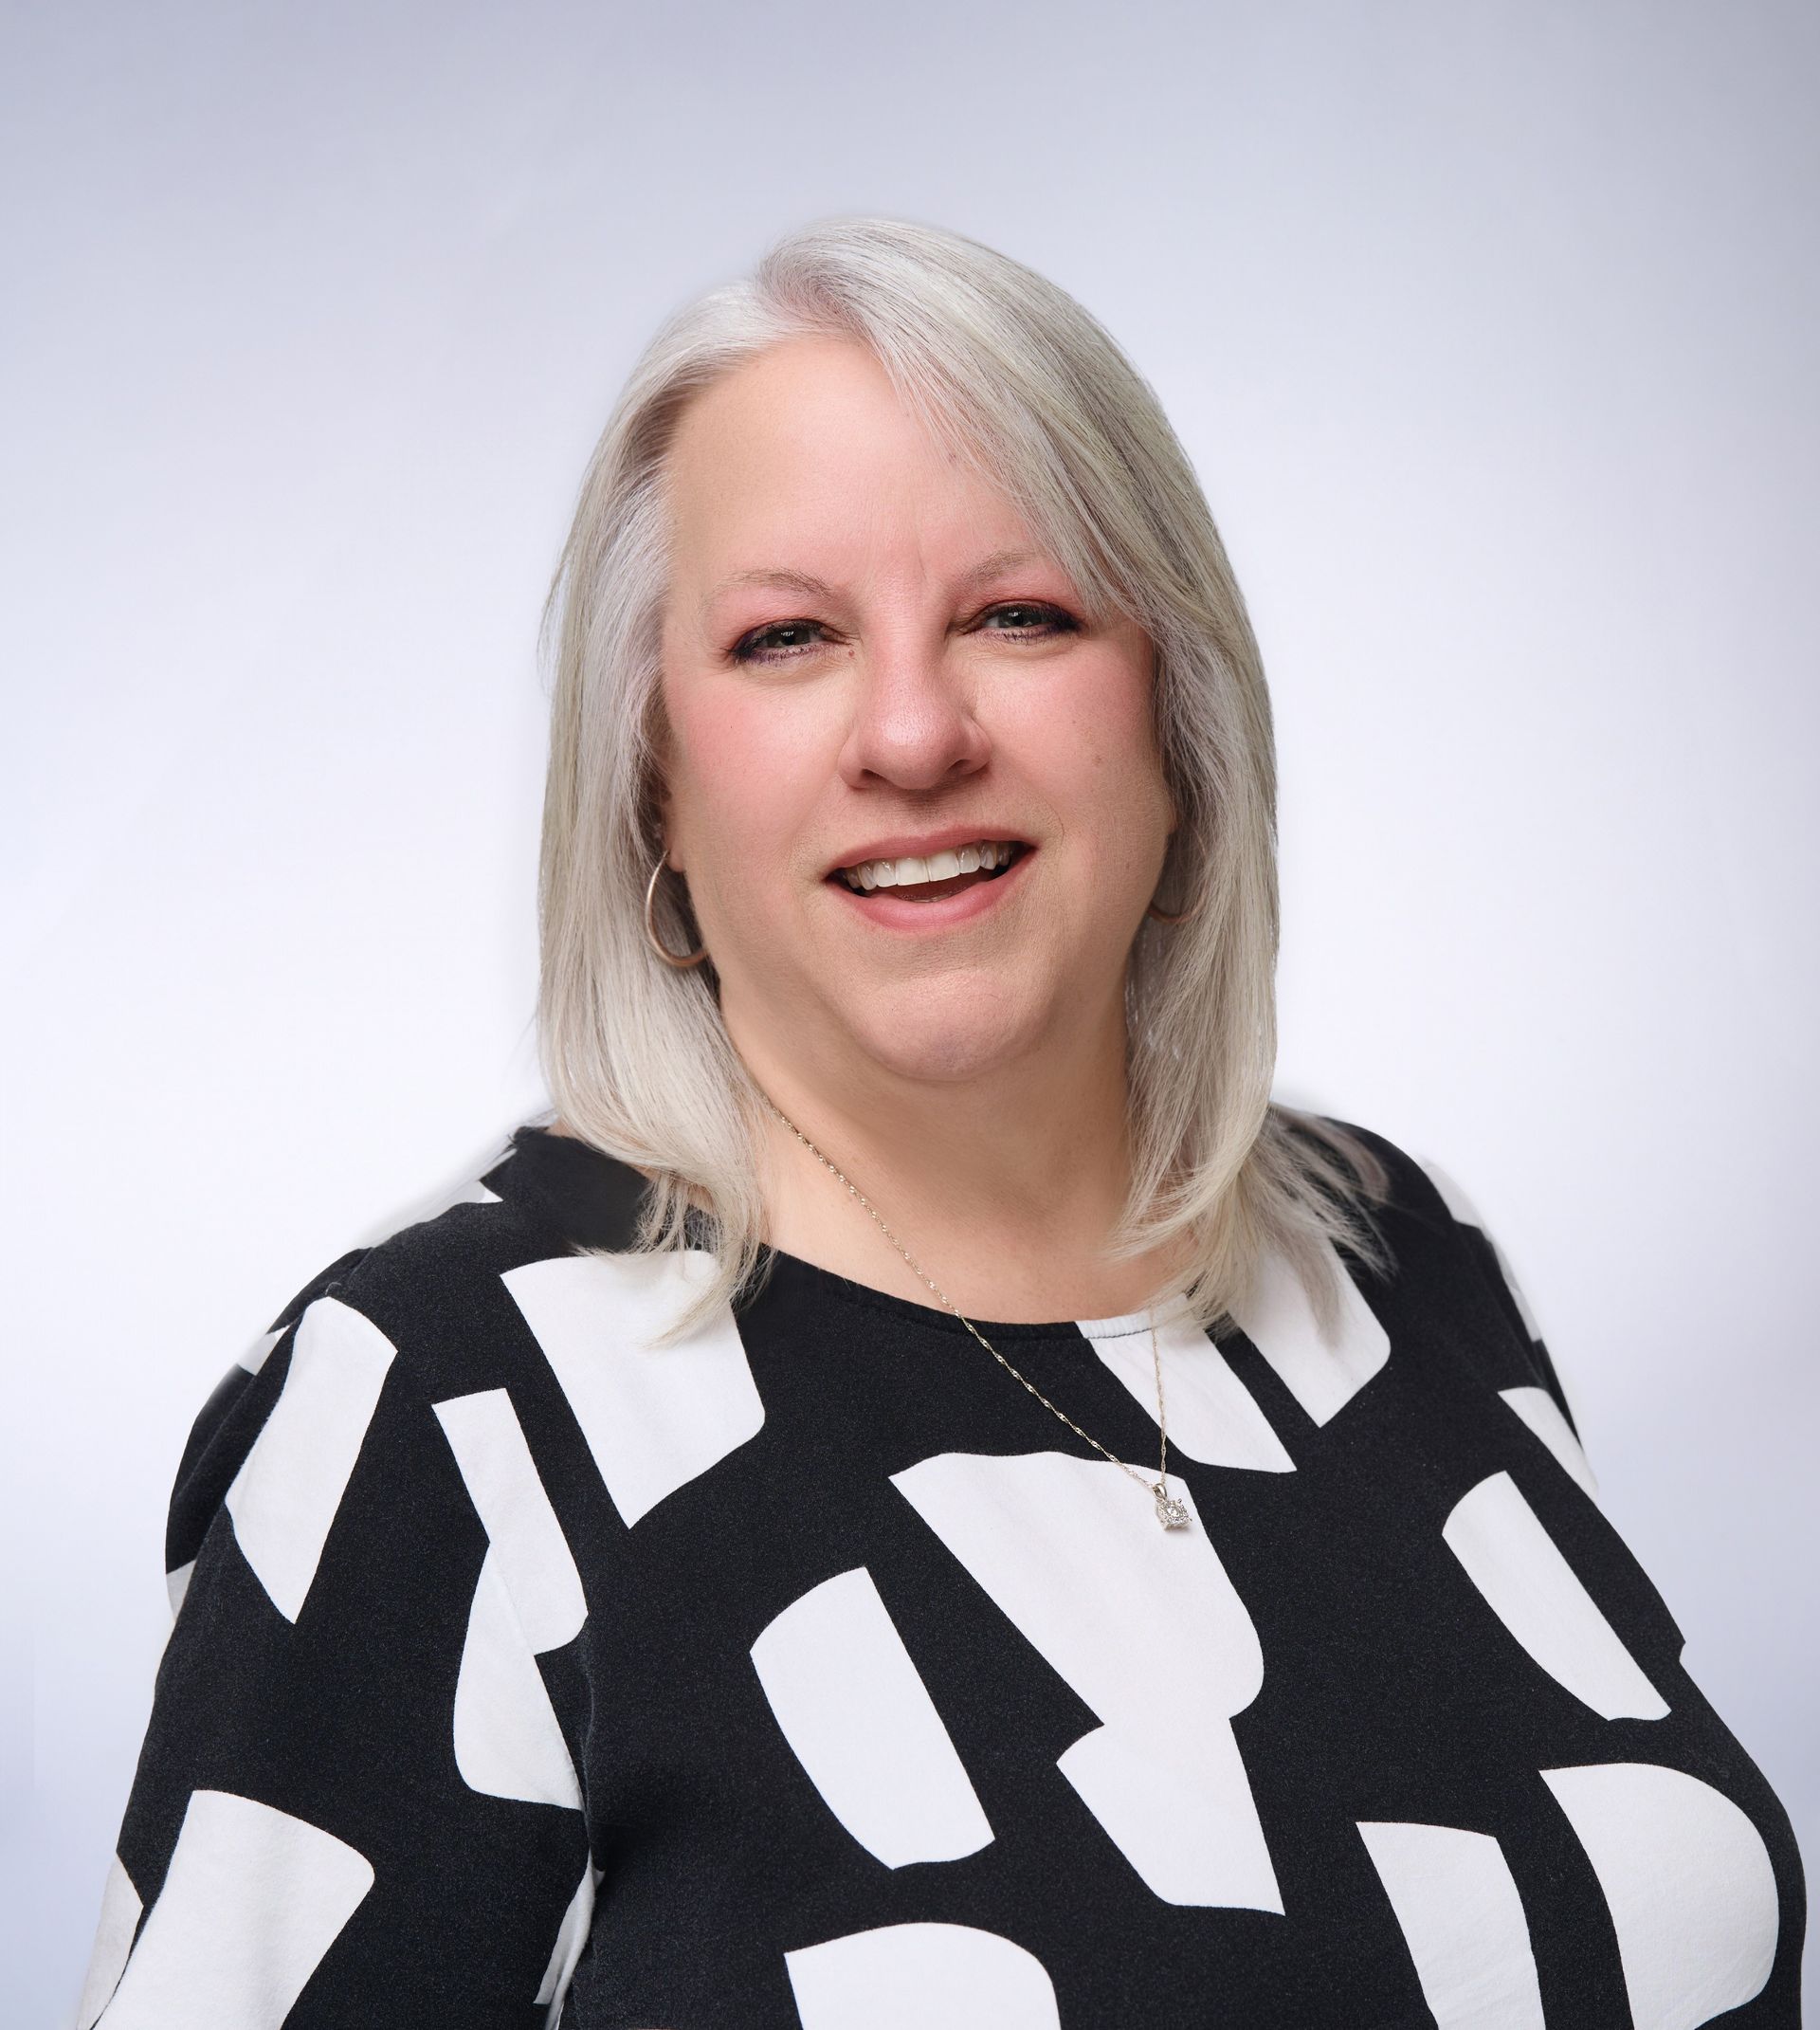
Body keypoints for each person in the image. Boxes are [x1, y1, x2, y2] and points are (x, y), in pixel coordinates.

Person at [75, 216, 1805, 2029]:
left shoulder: (1404, 1262)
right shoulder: (439, 1405)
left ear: (1176, 716)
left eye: (1019, 613)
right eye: (787, 637)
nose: (911, 733)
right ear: (655, 772)